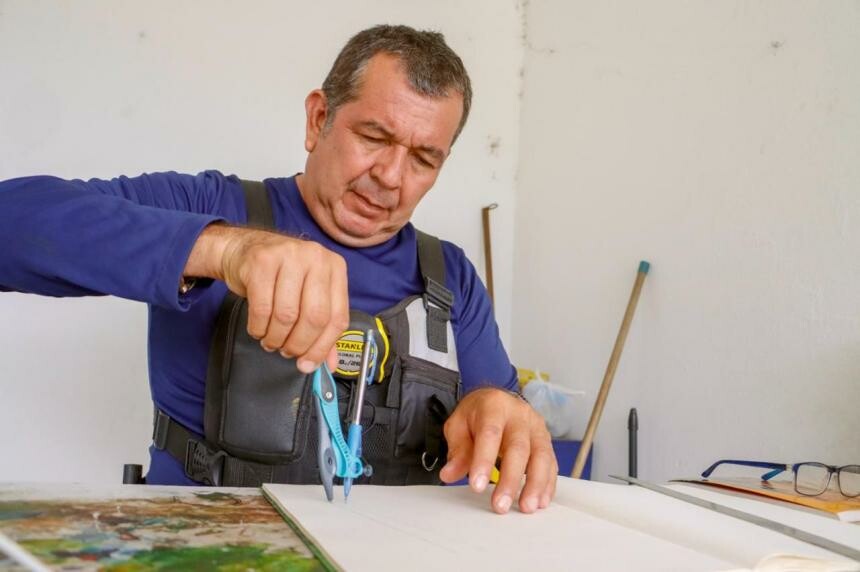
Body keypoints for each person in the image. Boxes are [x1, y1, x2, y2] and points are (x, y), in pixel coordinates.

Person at [0, 24, 556, 514]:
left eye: (422, 158)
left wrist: (499, 411)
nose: (391, 175)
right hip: (207, 542)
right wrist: (222, 250)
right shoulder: (212, 206)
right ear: (318, 119)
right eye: (373, 137)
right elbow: (13, 223)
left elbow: (500, 423)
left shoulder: (449, 275)